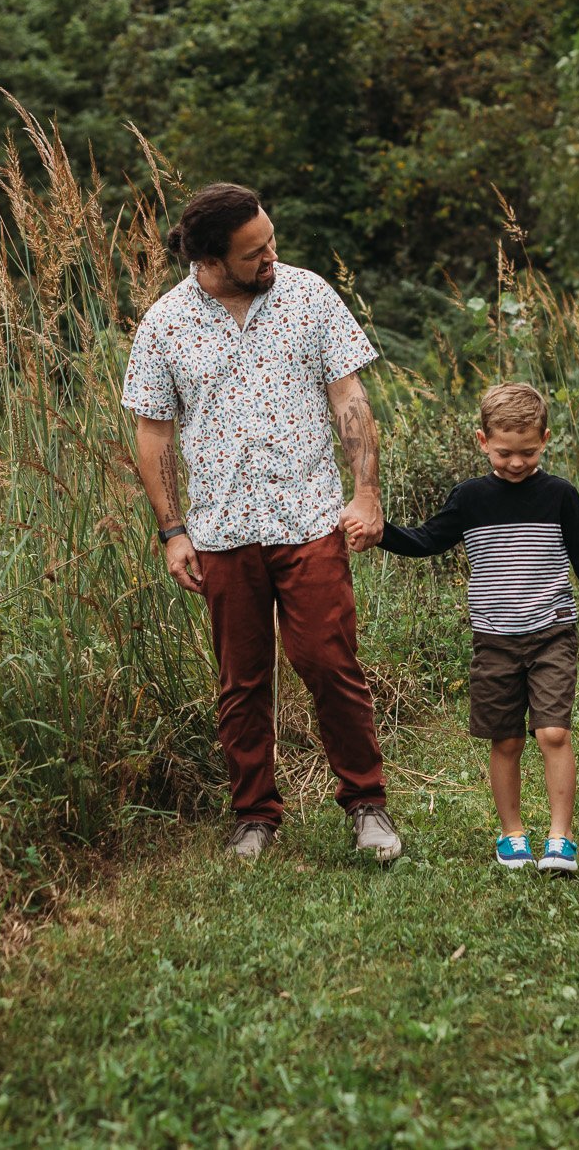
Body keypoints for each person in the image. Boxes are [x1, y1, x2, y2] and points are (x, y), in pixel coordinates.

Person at [122, 182, 403, 863]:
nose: (272, 254)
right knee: (241, 681)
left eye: (271, 238)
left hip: (308, 515)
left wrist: (366, 492)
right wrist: (172, 530)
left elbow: (350, 396)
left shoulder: (309, 295)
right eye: (256, 250)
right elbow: (153, 434)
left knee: (327, 660)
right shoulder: (165, 324)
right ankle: (254, 815)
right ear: (212, 257)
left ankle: (368, 805)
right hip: (220, 530)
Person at [371, 382, 579, 874]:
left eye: (528, 452)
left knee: (553, 731)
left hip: (551, 631)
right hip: (494, 638)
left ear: (545, 439)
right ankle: (512, 833)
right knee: (506, 739)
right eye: (503, 453)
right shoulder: (470, 498)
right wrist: (379, 531)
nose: (516, 463)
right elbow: (427, 540)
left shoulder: (560, 496)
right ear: (482, 440)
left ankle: (561, 837)